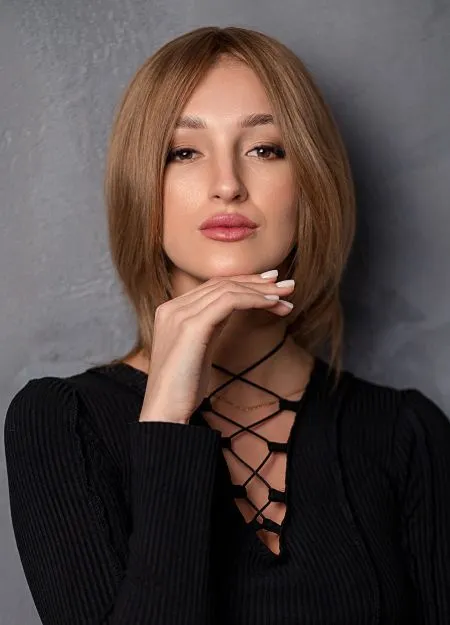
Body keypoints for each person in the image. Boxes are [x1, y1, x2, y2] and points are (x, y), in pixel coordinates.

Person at [4, 25, 450, 625]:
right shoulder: (62, 423)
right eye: (183, 152)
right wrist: (165, 420)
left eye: (265, 149)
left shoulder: (406, 433)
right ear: (142, 185)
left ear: (311, 180)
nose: (227, 186)